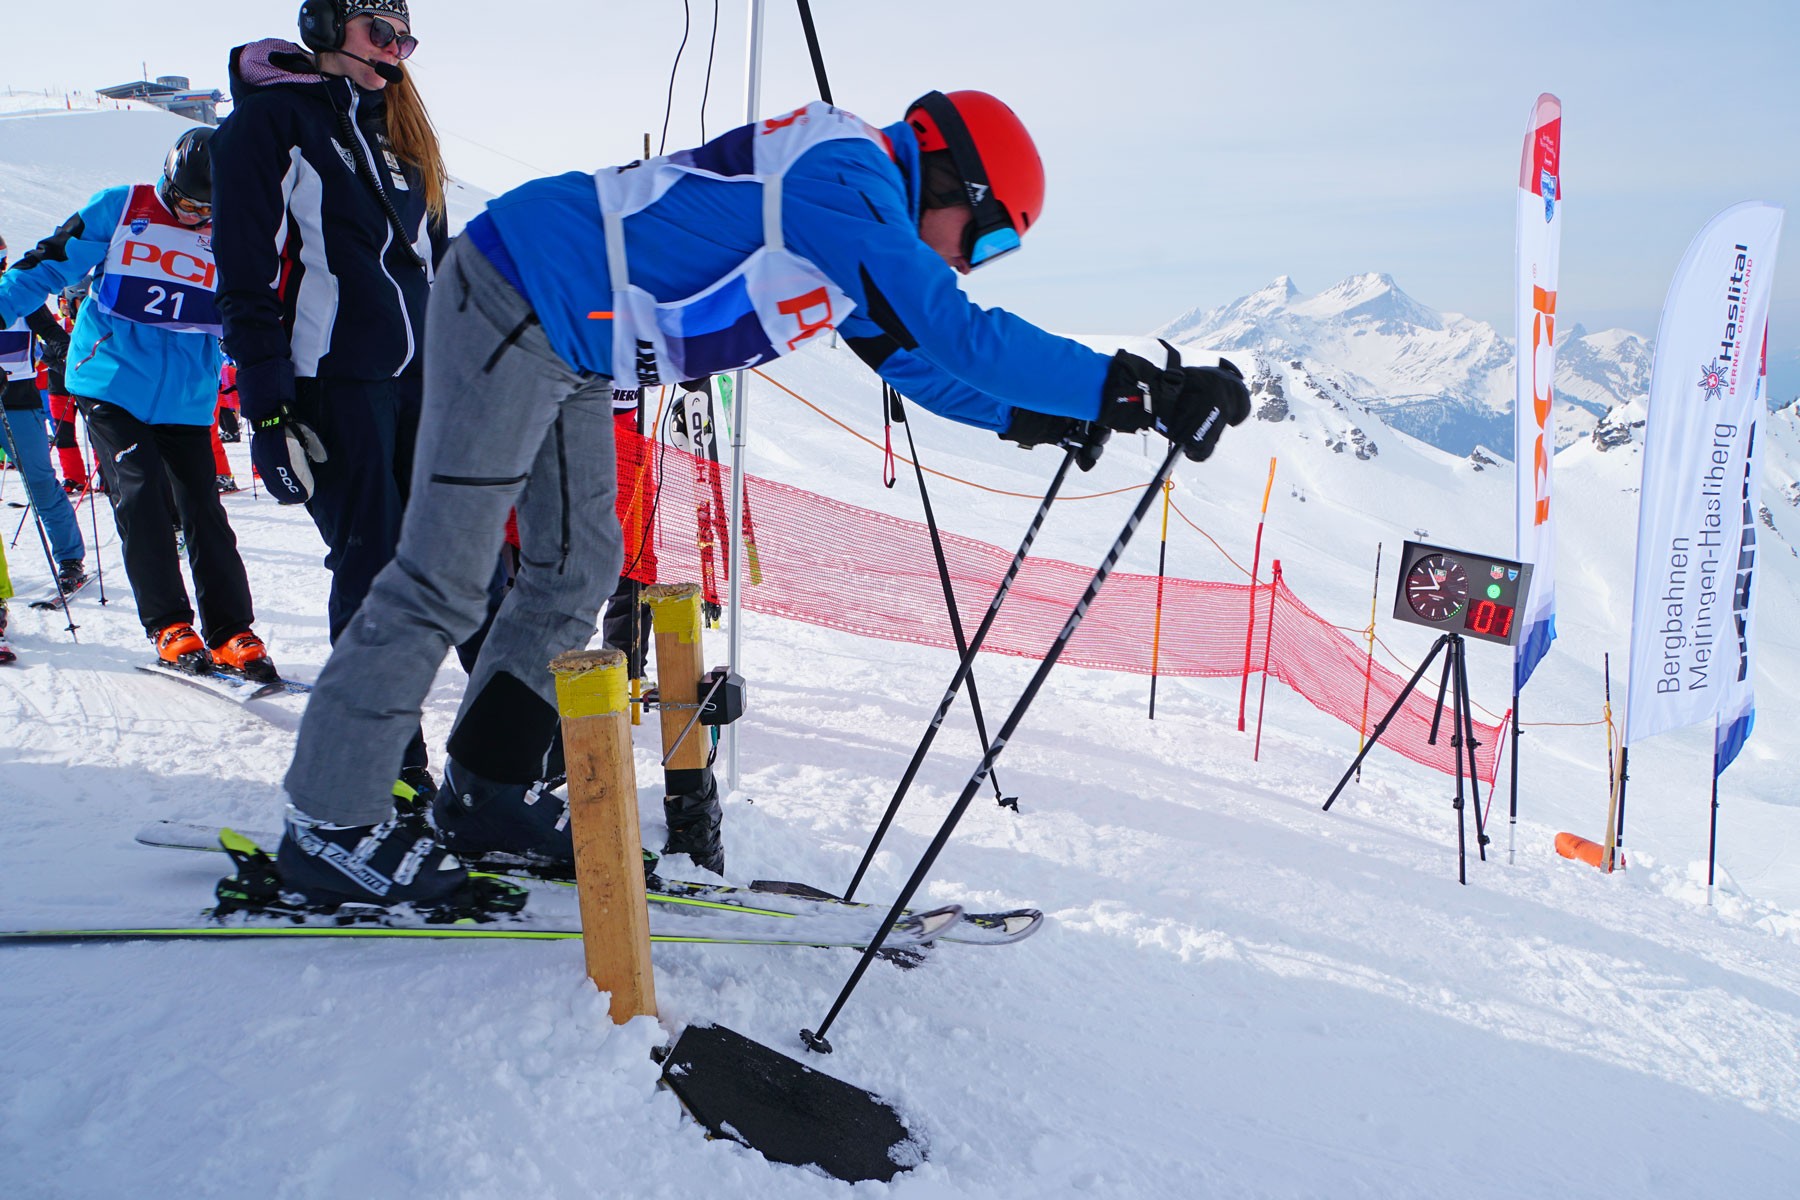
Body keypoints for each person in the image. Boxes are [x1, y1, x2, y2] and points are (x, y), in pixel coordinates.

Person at [271, 89, 1250, 913]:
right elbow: (950, 328)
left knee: (579, 563)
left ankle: (486, 794)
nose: (967, 258)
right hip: (519, 288)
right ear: (951, 179)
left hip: (573, 333)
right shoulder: (849, 180)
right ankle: (329, 822)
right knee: (445, 570)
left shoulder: (860, 218)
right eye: (983, 237)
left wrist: (1035, 420)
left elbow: (915, 360)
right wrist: (1131, 386)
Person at [212, 0, 450, 797]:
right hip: (333, 385)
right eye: (378, 30)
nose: (394, 49)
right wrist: (268, 411)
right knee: (375, 570)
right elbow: (244, 280)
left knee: (464, 564)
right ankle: (375, 771)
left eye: (403, 37)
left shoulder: (403, 136)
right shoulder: (272, 124)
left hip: (419, 385)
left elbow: (433, 267)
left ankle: (496, 770)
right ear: (325, 28)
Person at [0, 131, 277, 680]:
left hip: (186, 397)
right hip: (109, 382)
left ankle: (230, 631)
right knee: (143, 494)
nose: (196, 216)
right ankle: (169, 624)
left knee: (203, 511)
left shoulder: (236, 232)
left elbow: (250, 314)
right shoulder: (121, 207)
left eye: (208, 208)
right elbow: (45, 268)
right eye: (187, 203)